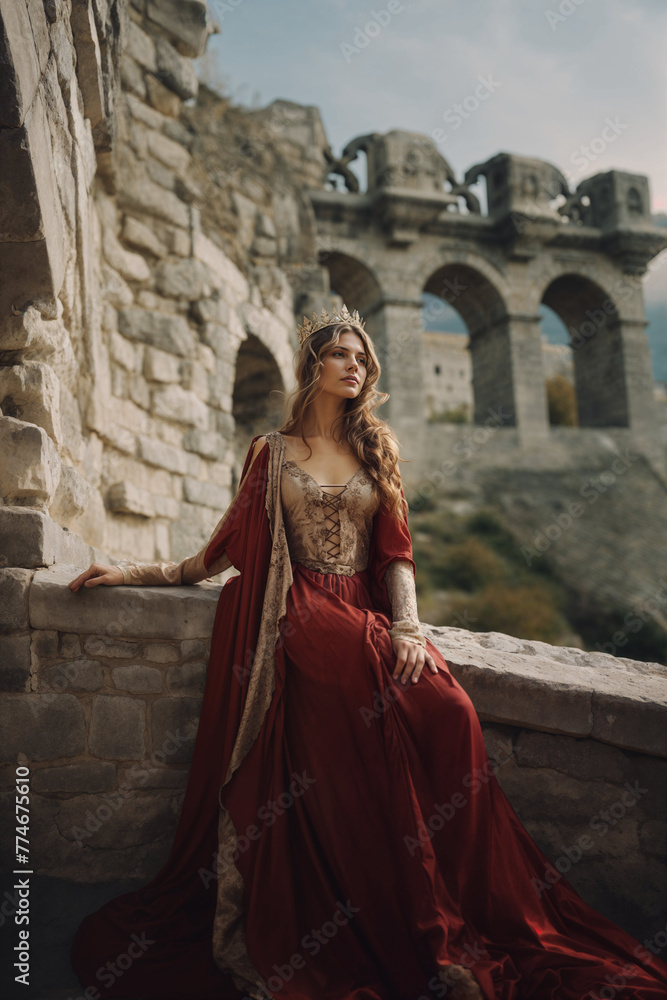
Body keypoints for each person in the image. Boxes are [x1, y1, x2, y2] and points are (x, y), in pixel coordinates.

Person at [68, 306, 667, 1000]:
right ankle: (414, 925)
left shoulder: (376, 445)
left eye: (363, 358)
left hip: (367, 611)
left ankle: (456, 911)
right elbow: (217, 553)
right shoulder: (271, 451)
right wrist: (130, 573)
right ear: (313, 366)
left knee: (449, 711)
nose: (356, 366)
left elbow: (396, 555)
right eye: (342, 355)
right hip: (300, 617)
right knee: (366, 734)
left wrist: (408, 629)